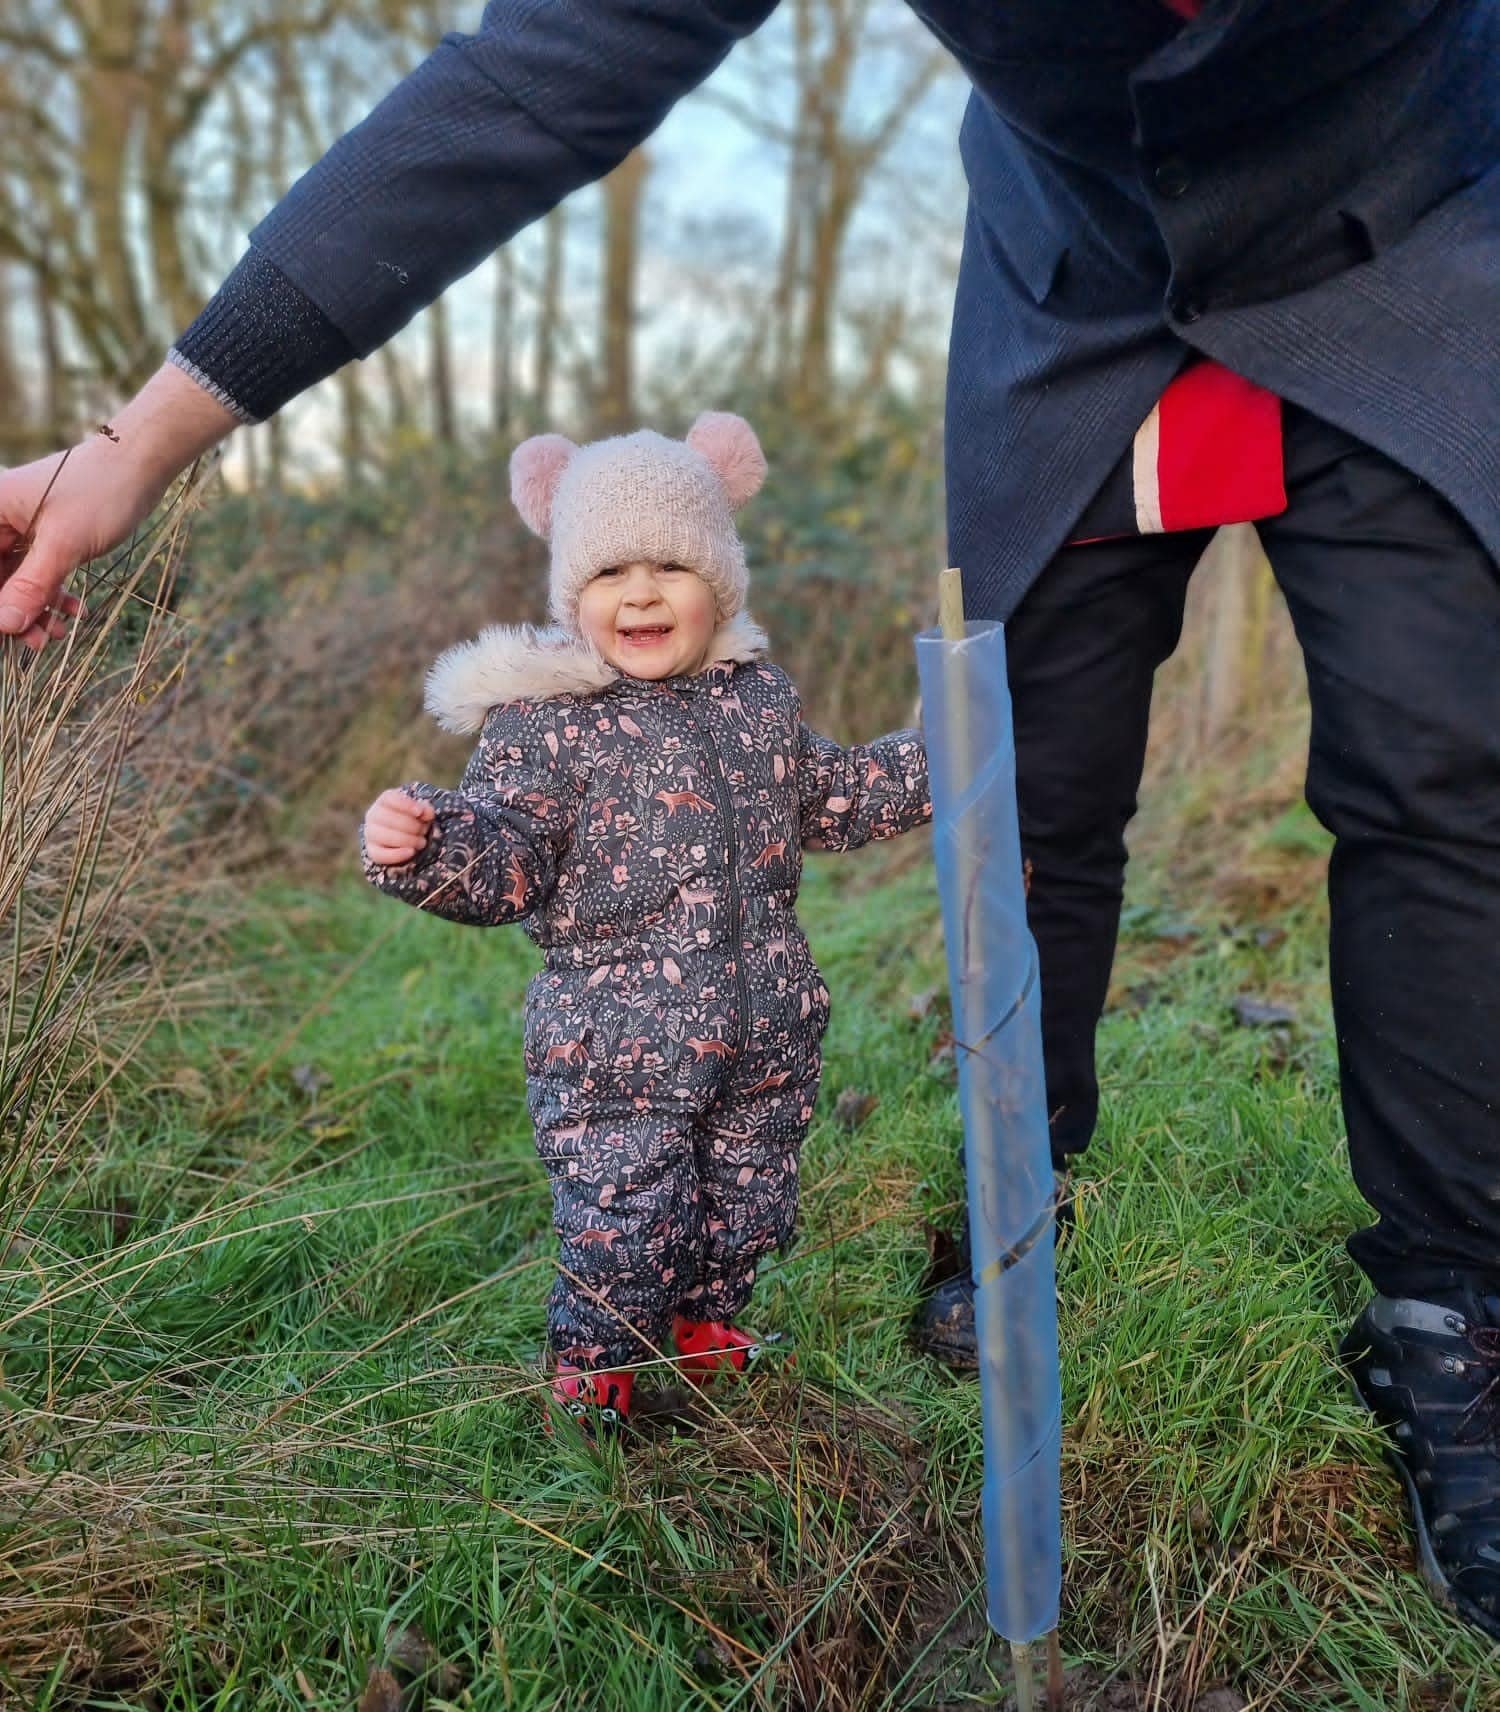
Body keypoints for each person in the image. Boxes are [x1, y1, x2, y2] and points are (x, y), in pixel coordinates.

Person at [1, 2, 1495, 1628]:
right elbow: (527, 83)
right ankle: (1011, 1211)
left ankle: (1447, 1304)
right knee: (1025, 792)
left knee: (1443, 780)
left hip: (1409, 258)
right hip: (1080, 291)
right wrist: (141, 439)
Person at [359, 412, 930, 1425]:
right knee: (626, 1214)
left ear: (719, 580)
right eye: (613, 570)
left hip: (764, 1029)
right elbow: (508, 859)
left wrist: (936, 759)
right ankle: (596, 1367)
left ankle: (708, 1323)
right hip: (616, 1048)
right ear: (576, 593)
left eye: (672, 563)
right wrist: (431, 845)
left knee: (751, 1198)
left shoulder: (756, 701)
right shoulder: (544, 725)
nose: (642, 591)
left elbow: (831, 794)